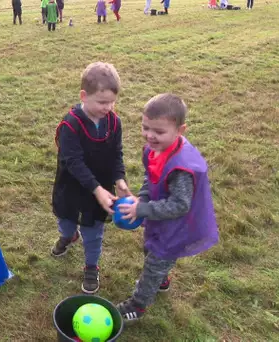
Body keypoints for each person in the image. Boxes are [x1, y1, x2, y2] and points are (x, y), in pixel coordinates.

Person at [115, 94, 219, 320]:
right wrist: (142, 198)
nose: (150, 136)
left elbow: (180, 205)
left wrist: (142, 210)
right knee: (150, 249)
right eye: (145, 127)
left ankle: (137, 305)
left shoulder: (181, 168)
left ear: (180, 131)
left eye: (158, 132)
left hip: (178, 226)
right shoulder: (155, 149)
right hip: (160, 218)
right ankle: (161, 280)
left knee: (155, 261)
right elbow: (150, 178)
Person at [51, 62, 131, 294]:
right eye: (102, 102)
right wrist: (96, 189)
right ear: (84, 96)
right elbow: (73, 162)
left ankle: (91, 266)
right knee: (66, 221)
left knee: (94, 231)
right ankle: (68, 236)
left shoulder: (114, 123)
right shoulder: (71, 125)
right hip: (72, 186)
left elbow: (116, 154)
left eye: (112, 102)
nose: (108, 107)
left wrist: (119, 180)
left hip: (101, 191)